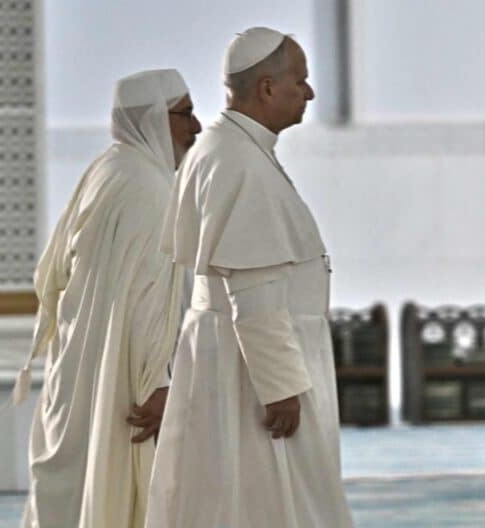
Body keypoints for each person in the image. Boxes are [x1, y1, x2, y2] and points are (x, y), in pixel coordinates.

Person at [146, 28, 354, 527]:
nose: (309, 92)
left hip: (239, 356)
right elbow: (252, 289)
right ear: (267, 87)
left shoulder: (228, 148)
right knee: (267, 497)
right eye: (300, 80)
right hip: (251, 369)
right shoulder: (237, 160)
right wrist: (279, 386)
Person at [15, 69, 202, 527]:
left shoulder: (110, 170)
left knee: (79, 491)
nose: (196, 127)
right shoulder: (148, 190)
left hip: (83, 372)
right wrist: (159, 384)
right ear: (154, 119)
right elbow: (144, 303)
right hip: (127, 388)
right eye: (185, 114)